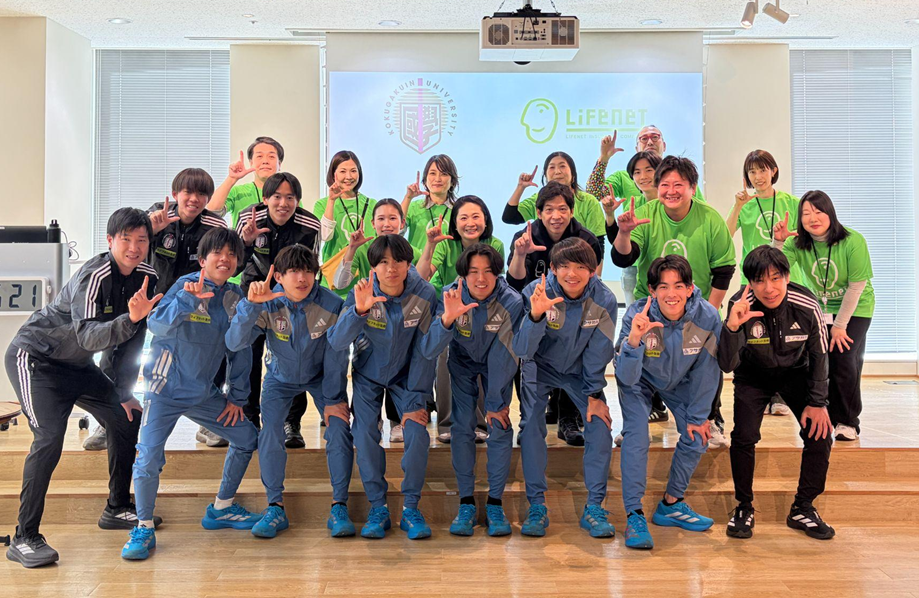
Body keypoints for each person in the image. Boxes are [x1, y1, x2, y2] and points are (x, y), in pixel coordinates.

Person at [4, 208, 162, 568]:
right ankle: (24, 536)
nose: (134, 247)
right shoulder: (95, 275)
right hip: (36, 360)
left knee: (126, 417)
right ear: (110, 241)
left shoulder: (147, 277)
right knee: (49, 438)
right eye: (126, 239)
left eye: (141, 240)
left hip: (77, 366)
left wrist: (124, 392)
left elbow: (133, 341)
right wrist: (131, 318)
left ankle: (117, 507)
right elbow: (88, 336)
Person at [121, 228, 260, 560]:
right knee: (148, 456)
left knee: (246, 437)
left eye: (232, 254)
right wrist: (188, 300)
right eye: (217, 253)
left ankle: (222, 508)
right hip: (164, 389)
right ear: (202, 260)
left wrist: (237, 397)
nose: (225, 259)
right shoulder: (184, 285)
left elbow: (240, 350)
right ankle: (143, 527)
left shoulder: (235, 297)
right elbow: (157, 326)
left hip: (202, 393)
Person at [83, 168, 229, 451]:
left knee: (210, 354)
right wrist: (153, 231)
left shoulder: (215, 225)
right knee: (122, 354)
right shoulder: (154, 217)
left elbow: (226, 259)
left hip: (192, 303)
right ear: (175, 194)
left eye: (201, 194)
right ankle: (107, 420)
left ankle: (207, 423)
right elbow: (130, 247)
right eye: (188, 192)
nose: (194, 199)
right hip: (145, 298)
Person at [226, 245, 355, 538]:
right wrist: (251, 306)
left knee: (338, 427)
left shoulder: (332, 304)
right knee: (270, 431)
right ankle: (275, 506)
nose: (302, 278)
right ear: (279, 277)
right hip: (279, 379)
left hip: (321, 378)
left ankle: (339, 506)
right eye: (294, 271)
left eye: (308, 271)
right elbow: (235, 342)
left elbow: (338, 355)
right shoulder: (268, 302)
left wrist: (333, 399)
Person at [611, 155, 735, 447]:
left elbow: (724, 270)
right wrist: (624, 233)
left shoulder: (710, 218)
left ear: (692, 187)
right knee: (643, 359)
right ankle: (637, 420)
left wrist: (708, 314)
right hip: (652, 306)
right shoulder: (646, 213)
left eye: (679, 184)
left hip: (695, 308)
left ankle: (711, 418)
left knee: (707, 363)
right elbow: (623, 257)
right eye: (664, 185)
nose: (671, 191)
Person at [327, 235, 440, 540]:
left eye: (399, 261)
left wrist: (416, 400)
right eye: (383, 262)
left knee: (416, 432)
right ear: (373, 266)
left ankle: (411, 508)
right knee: (364, 435)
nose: (392, 268)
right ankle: (378, 507)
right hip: (368, 376)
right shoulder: (362, 291)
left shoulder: (425, 294)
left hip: (408, 377)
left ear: (409, 263)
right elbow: (337, 341)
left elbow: (426, 351)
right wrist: (359, 311)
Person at [718, 246, 834, 541]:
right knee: (743, 436)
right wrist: (732, 326)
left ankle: (803, 507)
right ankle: (744, 506)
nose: (768, 288)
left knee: (820, 433)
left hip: (796, 373)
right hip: (752, 376)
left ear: (787, 276)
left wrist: (818, 402)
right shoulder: (739, 305)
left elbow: (820, 355)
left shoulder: (807, 305)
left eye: (775, 278)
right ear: (750, 282)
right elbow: (726, 364)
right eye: (759, 280)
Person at [614, 255, 722, 550]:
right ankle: (634, 515)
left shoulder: (707, 317)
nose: (670, 294)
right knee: (636, 437)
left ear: (690, 288)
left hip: (681, 381)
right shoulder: (636, 315)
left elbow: (708, 371)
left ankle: (671, 504)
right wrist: (634, 341)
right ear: (652, 290)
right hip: (639, 381)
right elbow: (624, 376)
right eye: (663, 287)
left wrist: (699, 417)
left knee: (697, 434)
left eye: (678, 286)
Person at [514, 238, 618, 539]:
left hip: (579, 372)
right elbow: (522, 350)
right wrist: (535, 316)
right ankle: (536, 505)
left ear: (593, 271)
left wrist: (595, 394)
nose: (572, 274)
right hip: (539, 367)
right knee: (530, 425)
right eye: (565, 267)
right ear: (553, 269)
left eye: (581, 267)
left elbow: (599, 351)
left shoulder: (605, 300)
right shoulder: (535, 292)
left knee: (599, 424)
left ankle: (594, 507)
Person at [419, 244, 524, 536]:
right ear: (463, 275)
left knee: (499, 422)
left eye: (488, 272)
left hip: (497, 364)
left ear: (498, 274)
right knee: (462, 426)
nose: (481, 278)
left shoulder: (512, 301)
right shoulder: (450, 295)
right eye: (474, 271)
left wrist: (494, 402)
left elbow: (506, 353)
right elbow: (429, 350)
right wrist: (447, 320)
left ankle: (495, 503)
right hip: (462, 364)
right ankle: (466, 501)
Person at [507, 181, 603, 446]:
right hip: (534, 308)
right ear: (539, 212)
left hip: (574, 311)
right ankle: (529, 419)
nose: (556, 216)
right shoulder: (525, 237)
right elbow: (514, 283)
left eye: (562, 209)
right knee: (523, 351)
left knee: (576, 351)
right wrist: (520, 255)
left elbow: (592, 282)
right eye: (549, 209)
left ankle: (568, 418)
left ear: (571, 211)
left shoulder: (586, 240)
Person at [774, 190, 875, 441]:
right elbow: (774, 270)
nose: (813, 218)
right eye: (806, 213)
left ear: (830, 213)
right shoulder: (797, 243)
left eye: (818, 211)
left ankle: (847, 422)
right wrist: (778, 242)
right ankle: (824, 414)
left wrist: (840, 325)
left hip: (856, 307)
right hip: (822, 308)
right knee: (818, 359)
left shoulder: (853, 241)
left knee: (844, 357)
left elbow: (856, 287)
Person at [235, 172, 321, 447]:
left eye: (290, 197)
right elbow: (235, 267)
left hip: (290, 299)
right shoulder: (248, 219)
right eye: (276, 197)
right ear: (265, 199)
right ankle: (249, 418)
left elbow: (311, 269)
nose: (283, 203)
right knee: (248, 357)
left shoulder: (310, 225)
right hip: (255, 294)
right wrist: (246, 243)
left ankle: (290, 422)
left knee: (292, 357)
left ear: (298, 200)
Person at [417, 195, 504, 443]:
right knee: (444, 355)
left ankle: (479, 423)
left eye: (476, 216)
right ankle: (447, 423)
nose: (470, 223)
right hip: (450, 309)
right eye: (463, 217)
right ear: (455, 223)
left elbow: (497, 281)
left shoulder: (495, 244)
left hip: (485, 311)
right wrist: (430, 245)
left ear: (485, 220)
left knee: (483, 355)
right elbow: (422, 277)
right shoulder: (446, 245)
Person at [332, 198, 419, 443]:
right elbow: (340, 282)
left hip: (401, 316)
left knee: (400, 359)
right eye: (381, 218)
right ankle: (370, 418)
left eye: (392, 218)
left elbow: (419, 281)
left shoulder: (409, 250)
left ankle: (397, 419)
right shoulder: (363, 248)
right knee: (369, 363)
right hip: (368, 313)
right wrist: (351, 248)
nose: (387, 223)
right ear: (373, 223)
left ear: (402, 222)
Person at [725, 149, 800, 417]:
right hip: (752, 280)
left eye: (763, 170)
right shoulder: (745, 204)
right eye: (752, 171)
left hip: (784, 279)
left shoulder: (791, 202)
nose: (758, 176)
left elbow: (804, 236)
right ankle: (759, 390)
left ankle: (780, 395)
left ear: (773, 171)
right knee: (754, 336)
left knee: (783, 337)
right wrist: (737, 206)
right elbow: (726, 235)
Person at [502, 152, 607, 259]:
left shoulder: (589, 201)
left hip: (577, 261)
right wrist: (521, 187)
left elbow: (598, 243)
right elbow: (509, 217)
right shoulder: (538, 199)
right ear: (545, 176)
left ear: (573, 175)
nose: (557, 172)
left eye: (562, 166)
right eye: (552, 167)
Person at [585, 126, 706, 206]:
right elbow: (593, 195)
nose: (650, 142)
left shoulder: (680, 175)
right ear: (637, 148)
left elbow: (701, 211)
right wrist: (603, 158)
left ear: (664, 145)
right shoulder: (623, 177)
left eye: (655, 137)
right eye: (644, 139)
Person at [315, 150, 376, 292]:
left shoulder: (372, 204)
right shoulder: (322, 204)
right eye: (343, 171)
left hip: (365, 281)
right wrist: (331, 201)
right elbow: (325, 236)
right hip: (332, 282)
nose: (348, 177)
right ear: (333, 174)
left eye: (353, 171)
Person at [206, 136, 284, 231]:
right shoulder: (238, 192)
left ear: (279, 164)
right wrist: (232, 178)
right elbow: (212, 212)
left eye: (271, 156)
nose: (265, 161)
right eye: (259, 156)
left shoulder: (289, 195)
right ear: (251, 163)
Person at [401, 154, 459, 251]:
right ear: (425, 180)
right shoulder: (414, 207)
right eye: (432, 173)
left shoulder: (459, 210)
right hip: (417, 261)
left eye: (444, 174)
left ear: (452, 181)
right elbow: (396, 231)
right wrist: (408, 198)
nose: (437, 179)